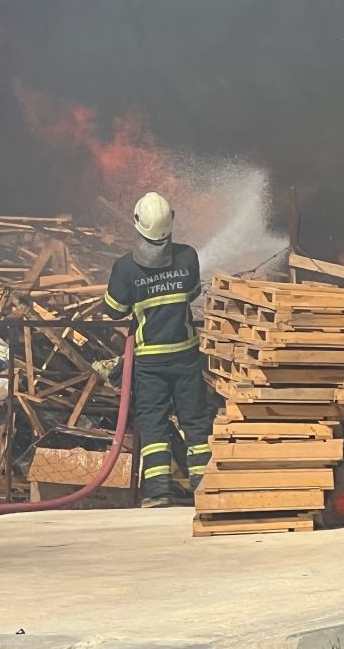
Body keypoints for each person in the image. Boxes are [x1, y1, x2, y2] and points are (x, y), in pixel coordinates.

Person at [102, 193, 211, 508]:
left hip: (150, 361)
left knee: (153, 422)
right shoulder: (188, 257)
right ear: (171, 221)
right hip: (186, 356)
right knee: (195, 421)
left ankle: (158, 491)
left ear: (137, 223)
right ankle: (204, 488)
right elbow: (191, 292)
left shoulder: (125, 268)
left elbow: (113, 309)